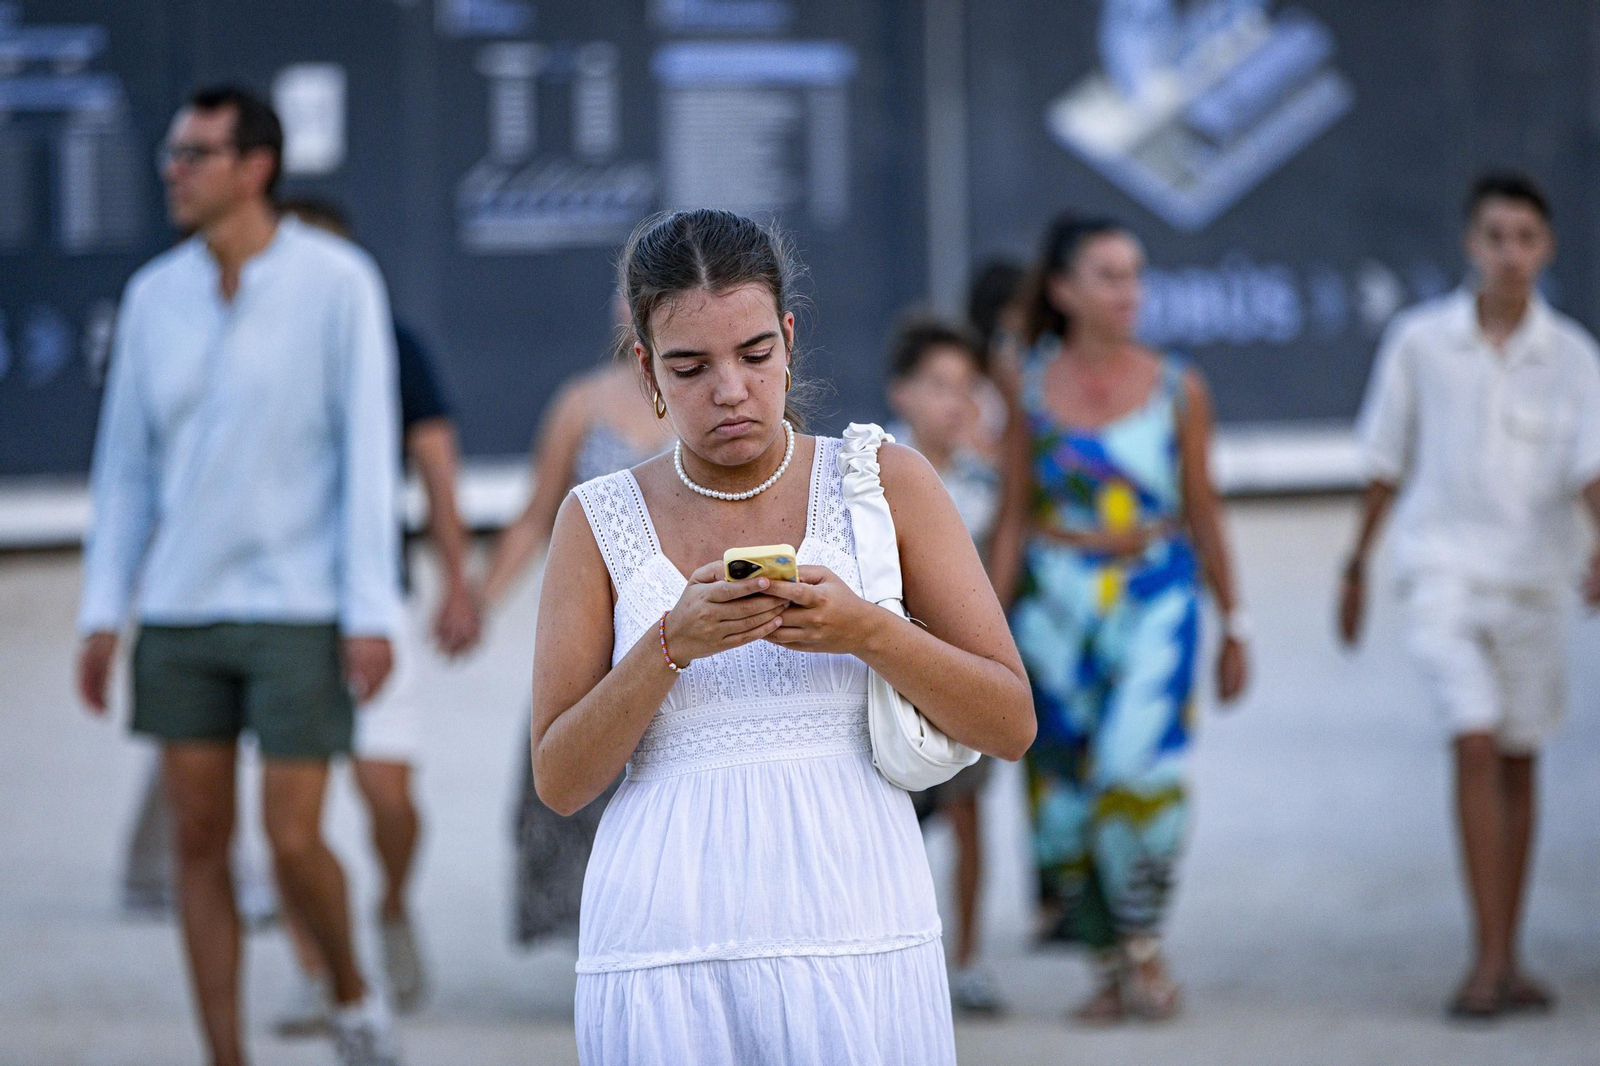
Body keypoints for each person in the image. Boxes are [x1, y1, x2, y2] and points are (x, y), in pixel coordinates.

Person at [531, 208, 1035, 1064]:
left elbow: (1011, 722)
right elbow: (561, 778)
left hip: (856, 912)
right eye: (690, 366)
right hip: (665, 933)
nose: (730, 390)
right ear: (647, 368)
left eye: (755, 354)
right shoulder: (598, 518)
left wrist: (868, 630)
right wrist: (668, 647)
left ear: (790, 339)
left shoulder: (883, 480)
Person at [75, 86, 403, 1066]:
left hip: (301, 606)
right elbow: (125, 467)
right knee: (196, 846)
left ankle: (352, 997)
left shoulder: (339, 281)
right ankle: (225, 1057)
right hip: (180, 610)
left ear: (255, 166)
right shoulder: (152, 296)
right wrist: (103, 611)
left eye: (194, 153)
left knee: (294, 840)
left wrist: (370, 609)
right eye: (173, 153)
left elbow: (367, 451)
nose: (172, 169)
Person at [1338, 172, 1600, 1020]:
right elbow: (1385, 459)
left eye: (1527, 237)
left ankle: (1505, 951)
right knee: (1476, 740)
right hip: (1441, 570)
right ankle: (1487, 961)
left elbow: (1589, 471)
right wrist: (1355, 566)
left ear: (1547, 247)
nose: (1511, 253)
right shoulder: (1420, 342)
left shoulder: (1573, 358)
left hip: (1535, 582)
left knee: (1520, 756)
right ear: (1471, 244)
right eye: (1497, 236)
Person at [988, 213, 1249, 1024]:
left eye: (1134, 274)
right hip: (1053, 604)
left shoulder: (1179, 387)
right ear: (1063, 290)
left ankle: (1141, 943)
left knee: (1142, 773)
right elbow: (1010, 515)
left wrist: (1234, 621)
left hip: (1155, 597)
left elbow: (1204, 507)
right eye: (1108, 274)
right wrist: (983, 626)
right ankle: (1107, 968)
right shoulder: (1025, 385)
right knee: (1062, 786)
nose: (1128, 290)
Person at [267, 197, 482, 1032]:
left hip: (371, 594)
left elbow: (437, 469)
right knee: (288, 815)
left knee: (387, 797)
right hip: (275, 607)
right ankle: (315, 965)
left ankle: (390, 904)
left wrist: (456, 582)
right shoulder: (252, 347)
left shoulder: (394, 344)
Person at [480, 299, 675, 948]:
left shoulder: (721, 400)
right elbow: (537, 515)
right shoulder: (582, 402)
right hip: (598, 628)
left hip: (689, 627)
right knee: (574, 780)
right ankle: (606, 938)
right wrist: (480, 599)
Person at [884, 317, 1005, 1014]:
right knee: (892, 815)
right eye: (938, 385)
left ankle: (967, 959)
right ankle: (899, 952)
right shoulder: (873, 474)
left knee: (967, 812)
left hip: (967, 672)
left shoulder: (988, 478)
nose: (955, 401)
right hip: (896, 676)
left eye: (967, 386)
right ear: (902, 393)